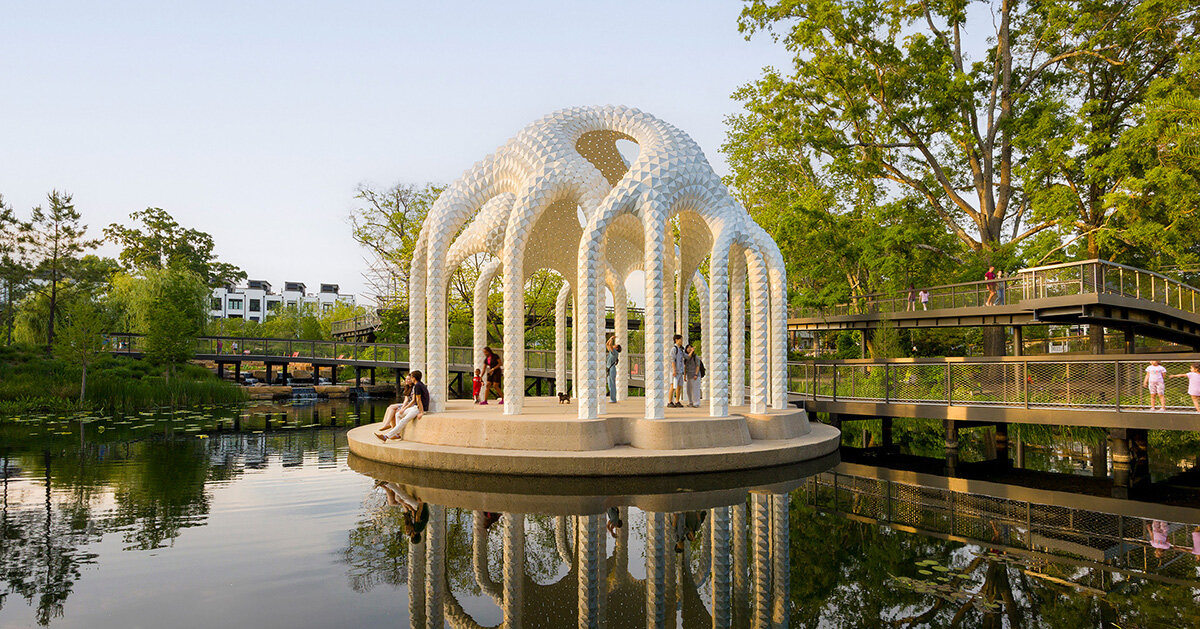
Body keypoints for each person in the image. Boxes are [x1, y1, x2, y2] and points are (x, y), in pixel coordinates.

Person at [376, 370, 429, 441]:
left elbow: (418, 399)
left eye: (411, 377)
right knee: (398, 414)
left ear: (414, 378)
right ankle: (397, 434)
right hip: (415, 407)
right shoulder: (419, 384)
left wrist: (421, 412)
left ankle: (386, 437)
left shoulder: (418, 386)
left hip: (418, 408)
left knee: (403, 420)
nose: (410, 378)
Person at [669, 334, 686, 408]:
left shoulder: (681, 349)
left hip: (680, 371)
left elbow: (686, 357)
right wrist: (674, 370)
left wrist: (691, 351)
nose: (682, 341)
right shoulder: (674, 349)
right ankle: (669, 401)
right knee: (673, 386)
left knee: (679, 387)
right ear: (676, 340)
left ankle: (677, 401)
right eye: (681, 339)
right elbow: (672, 360)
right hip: (675, 371)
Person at [606, 336, 622, 403]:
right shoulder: (612, 351)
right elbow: (607, 344)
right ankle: (612, 398)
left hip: (612, 369)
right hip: (609, 369)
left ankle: (613, 399)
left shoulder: (615, 352)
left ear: (617, 348)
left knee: (612, 384)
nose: (614, 345)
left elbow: (610, 345)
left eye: (615, 345)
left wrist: (612, 338)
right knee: (610, 384)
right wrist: (610, 339)